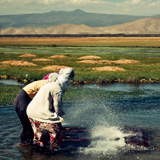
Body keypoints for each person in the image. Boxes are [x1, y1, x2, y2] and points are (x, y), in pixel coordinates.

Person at [26, 68, 74, 152]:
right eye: (69, 82)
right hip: (41, 114)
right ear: (66, 81)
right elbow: (57, 106)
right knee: (57, 132)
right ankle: (54, 151)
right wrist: (59, 116)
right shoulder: (58, 90)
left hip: (31, 113)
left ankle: (37, 151)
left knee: (39, 134)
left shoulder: (49, 85)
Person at [13, 72, 59, 145]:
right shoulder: (46, 85)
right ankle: (25, 144)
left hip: (24, 100)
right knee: (28, 125)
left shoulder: (46, 83)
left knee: (30, 125)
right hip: (23, 101)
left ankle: (27, 144)